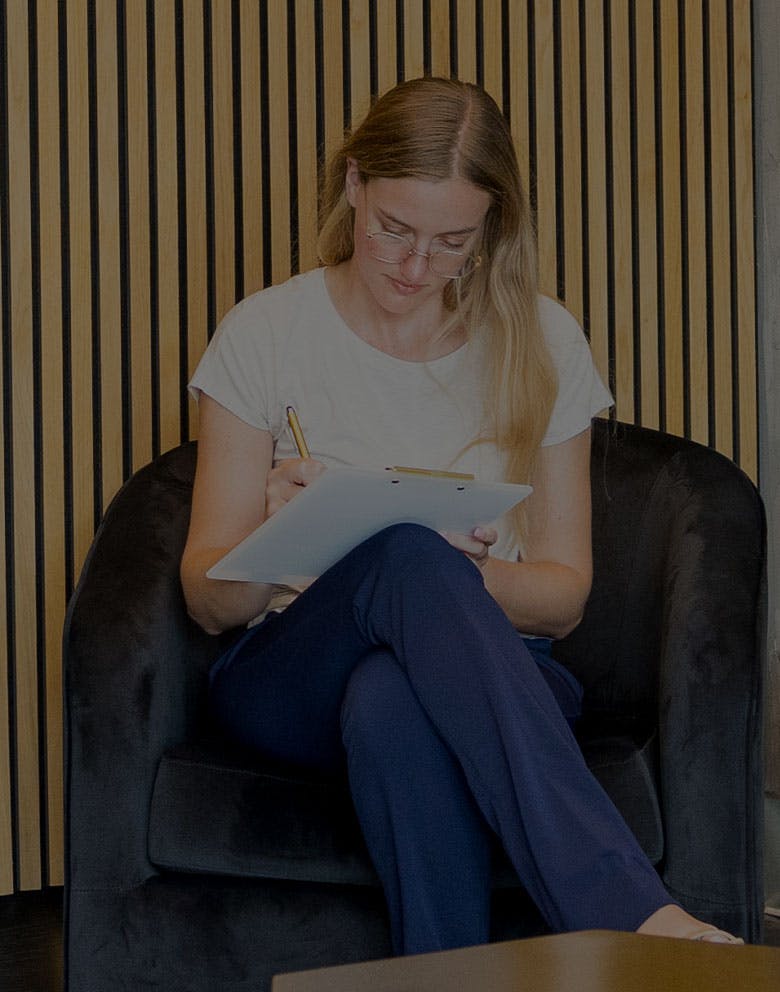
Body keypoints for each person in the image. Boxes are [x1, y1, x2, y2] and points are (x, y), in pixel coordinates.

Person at [180, 77, 742, 951]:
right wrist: (273, 542)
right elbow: (208, 604)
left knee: (394, 692)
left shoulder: (544, 340)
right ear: (354, 184)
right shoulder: (266, 332)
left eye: (451, 243)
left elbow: (561, 598)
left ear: (492, 226)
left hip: (493, 669)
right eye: (394, 230)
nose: (415, 269)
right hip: (289, 675)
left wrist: (457, 577)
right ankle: (627, 910)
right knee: (404, 553)